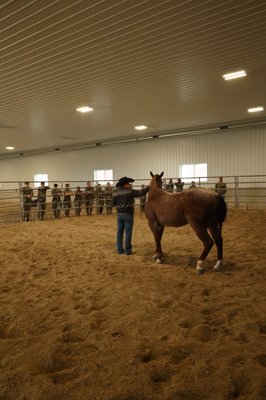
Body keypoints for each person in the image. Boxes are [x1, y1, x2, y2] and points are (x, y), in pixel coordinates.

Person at [112, 176, 149, 255]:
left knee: (119, 232)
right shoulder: (130, 192)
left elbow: (112, 204)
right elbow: (141, 192)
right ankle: (128, 250)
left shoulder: (115, 193)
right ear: (125, 184)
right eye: (128, 183)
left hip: (119, 215)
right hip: (128, 215)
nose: (130, 185)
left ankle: (119, 249)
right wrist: (150, 186)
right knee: (128, 233)